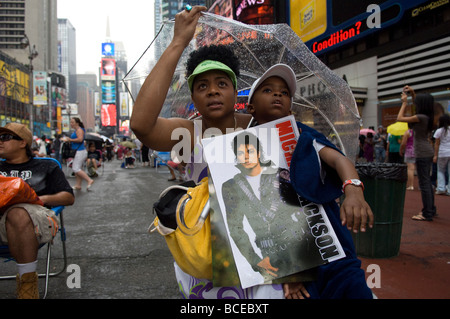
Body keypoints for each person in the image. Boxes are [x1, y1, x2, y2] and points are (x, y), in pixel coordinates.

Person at [131, 6, 303, 299]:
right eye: (202, 86)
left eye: (222, 84)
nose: (212, 91)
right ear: (193, 96)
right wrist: (178, 43)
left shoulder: (262, 126)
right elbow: (141, 125)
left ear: (236, 92)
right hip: (208, 251)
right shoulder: (189, 131)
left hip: (264, 249)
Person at [246, 63, 374, 299]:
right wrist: (288, 270)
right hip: (294, 260)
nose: (278, 94)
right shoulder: (241, 149)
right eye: (268, 90)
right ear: (250, 107)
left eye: (284, 93)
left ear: (291, 109)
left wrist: (354, 190)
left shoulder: (303, 134)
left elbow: (338, 160)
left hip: (333, 249)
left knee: (355, 292)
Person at [0, 123, 75, 299]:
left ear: (22, 143)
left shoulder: (46, 166)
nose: (0, 142)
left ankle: (27, 284)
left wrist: (41, 199)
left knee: (18, 212)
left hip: (35, 220)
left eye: (6, 137)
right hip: (2, 222)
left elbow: (68, 197)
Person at [397, 85, 436, 221]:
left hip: (422, 152)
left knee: (424, 183)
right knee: (427, 182)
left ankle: (427, 213)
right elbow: (417, 106)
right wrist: (413, 94)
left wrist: (404, 103)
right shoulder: (427, 116)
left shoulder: (420, 117)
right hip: (427, 151)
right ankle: (431, 209)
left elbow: (400, 118)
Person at [62, 117, 94, 191]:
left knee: (75, 168)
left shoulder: (79, 130)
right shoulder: (77, 130)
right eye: (70, 122)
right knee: (78, 168)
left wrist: (69, 139)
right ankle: (78, 185)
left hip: (80, 151)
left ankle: (89, 180)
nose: (71, 124)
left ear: (77, 123)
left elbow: (80, 139)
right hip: (79, 151)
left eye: (72, 122)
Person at [433, 113, 450, 195]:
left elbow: (436, 144)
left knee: (440, 170)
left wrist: (435, 155)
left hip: (442, 153)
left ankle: (441, 188)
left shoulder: (439, 131)